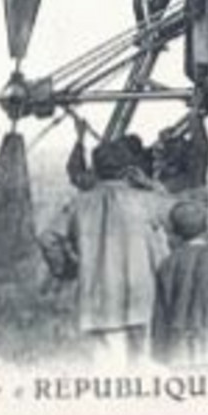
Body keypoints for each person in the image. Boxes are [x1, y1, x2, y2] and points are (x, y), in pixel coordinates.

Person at [64, 139, 171, 364]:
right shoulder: (146, 201)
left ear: (97, 168)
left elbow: (49, 239)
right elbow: (185, 214)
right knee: (143, 364)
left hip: (99, 298)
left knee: (106, 367)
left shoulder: (79, 203)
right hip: (142, 297)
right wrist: (152, 185)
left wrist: (69, 268)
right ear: (128, 169)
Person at [151, 201, 208, 368]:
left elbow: (161, 313)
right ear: (206, 227)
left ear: (175, 231)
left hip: (178, 348)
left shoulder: (168, 263)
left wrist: (160, 352)